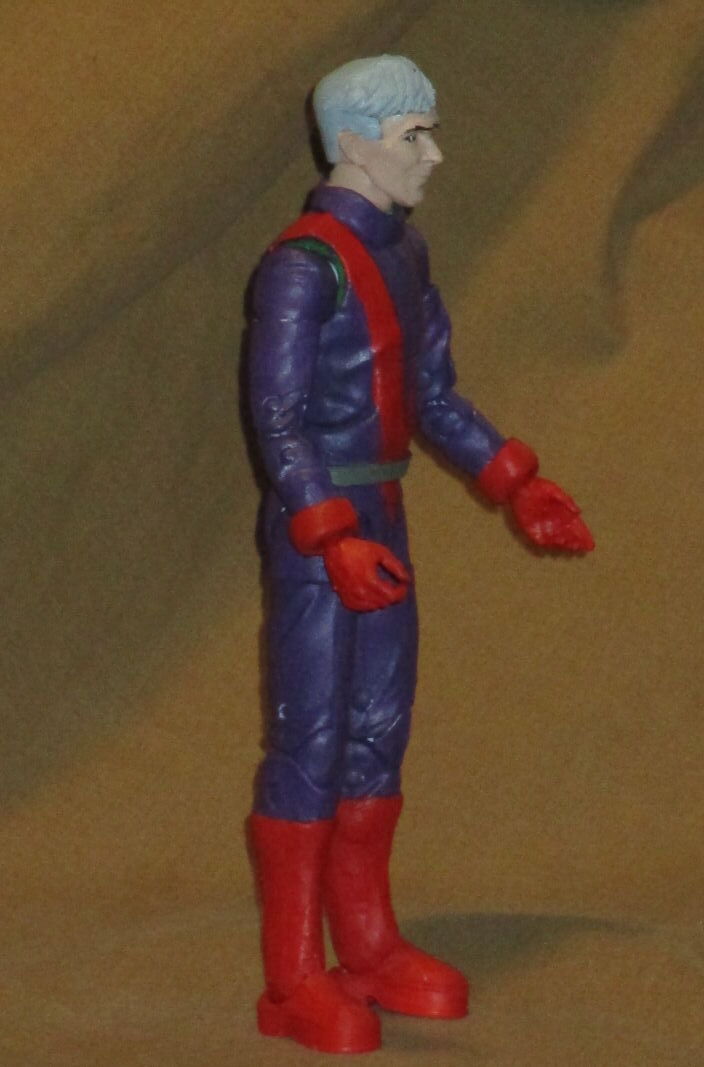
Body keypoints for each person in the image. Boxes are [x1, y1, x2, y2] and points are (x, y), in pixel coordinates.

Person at [246, 54, 594, 1054]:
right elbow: (278, 417)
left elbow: (433, 394)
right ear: (355, 142)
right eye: (414, 135)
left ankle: (366, 944)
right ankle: (293, 977)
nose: (434, 155)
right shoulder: (300, 267)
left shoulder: (404, 252)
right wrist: (328, 535)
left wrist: (515, 482)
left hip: (382, 514)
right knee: (310, 739)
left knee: (376, 729)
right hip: (324, 531)